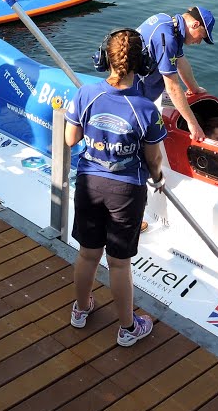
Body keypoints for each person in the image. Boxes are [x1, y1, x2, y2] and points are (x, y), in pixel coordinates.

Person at [66, 28, 166, 347]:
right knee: (119, 264)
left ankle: (81, 310)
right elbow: (154, 161)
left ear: (103, 58)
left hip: (89, 183)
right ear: (144, 64)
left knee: (87, 254)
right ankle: (127, 328)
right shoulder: (147, 109)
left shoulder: (86, 94)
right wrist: (159, 178)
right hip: (126, 191)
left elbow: (71, 139)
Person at [135, 6, 216, 142]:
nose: (199, 42)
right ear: (195, 24)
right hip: (134, 97)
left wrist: (194, 89)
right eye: (201, 36)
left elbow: (181, 63)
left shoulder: (167, 22)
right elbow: (172, 87)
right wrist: (193, 124)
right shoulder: (167, 39)